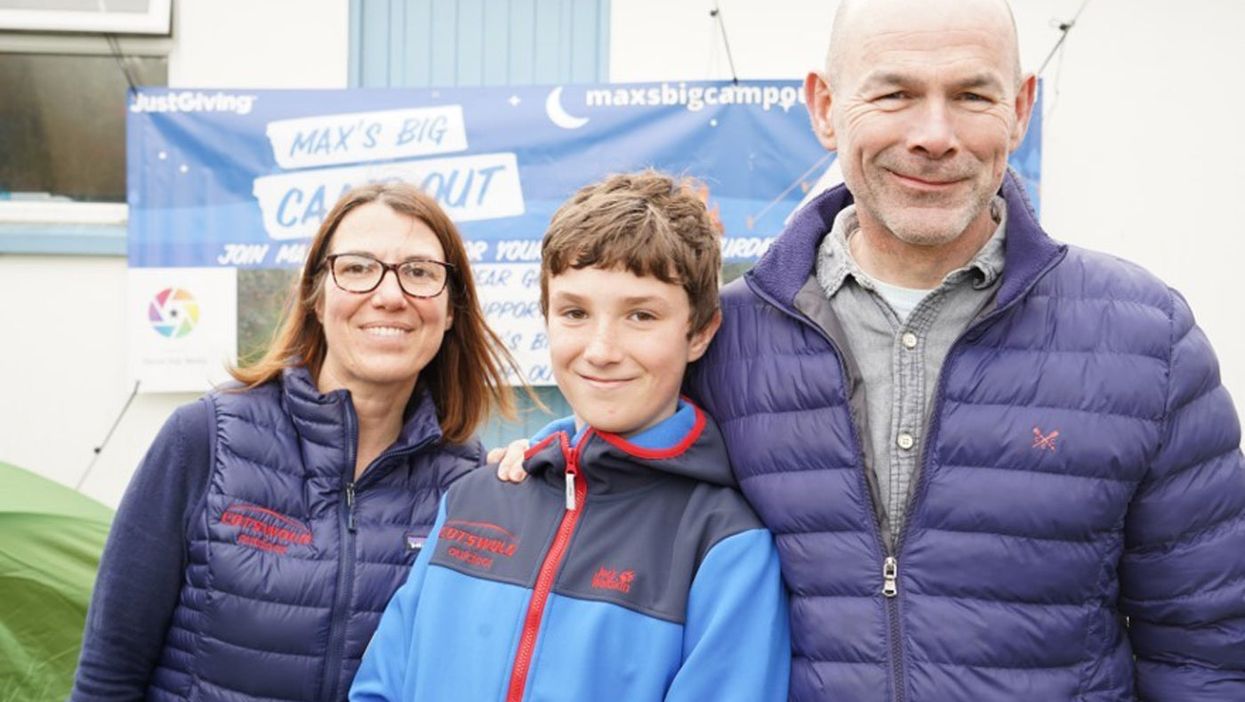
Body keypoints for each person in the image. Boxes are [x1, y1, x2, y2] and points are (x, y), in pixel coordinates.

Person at [501, 1, 1245, 699]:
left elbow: (1207, 648)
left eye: (971, 96)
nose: (932, 133)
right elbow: (623, 471)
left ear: (1019, 109)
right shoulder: (722, 343)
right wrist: (551, 456)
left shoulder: (1146, 340)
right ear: (825, 107)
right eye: (892, 95)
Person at [72, 182, 522, 701]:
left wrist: (535, 491)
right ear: (316, 295)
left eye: (420, 272)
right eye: (357, 267)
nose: (391, 295)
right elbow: (108, 676)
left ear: (450, 312)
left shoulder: (468, 489)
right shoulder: (205, 439)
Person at [350, 171, 790, 701]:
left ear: (698, 332)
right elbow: (379, 688)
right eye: (575, 313)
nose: (601, 349)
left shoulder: (723, 544)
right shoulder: (474, 498)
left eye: (641, 315)